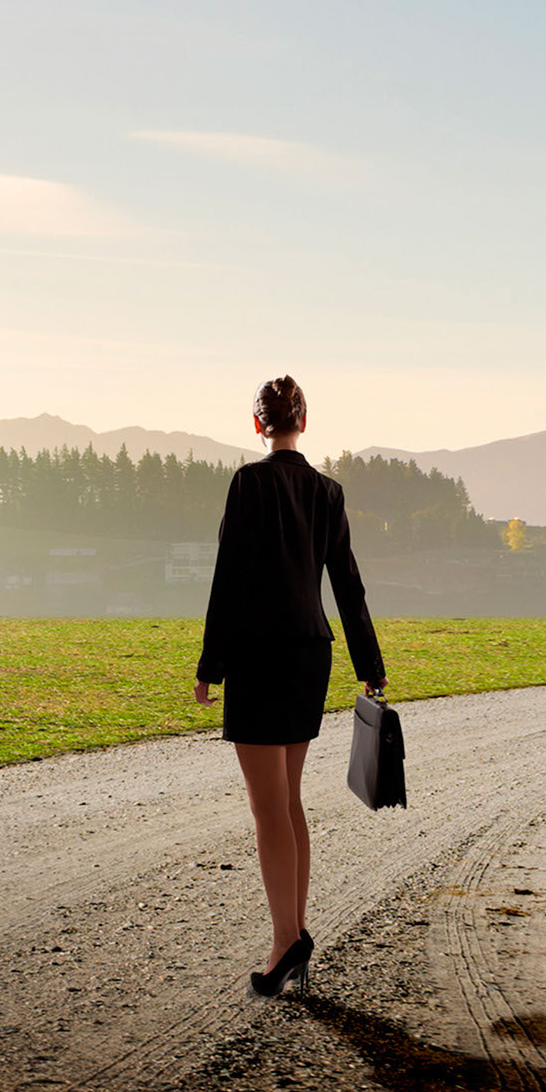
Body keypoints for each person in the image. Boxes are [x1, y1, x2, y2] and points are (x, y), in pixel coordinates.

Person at [194, 375, 386, 998]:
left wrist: (211, 664)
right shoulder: (329, 491)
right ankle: (294, 933)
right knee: (289, 800)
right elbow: (348, 584)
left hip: (258, 655)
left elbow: (228, 578)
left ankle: (286, 943)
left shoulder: (248, 482)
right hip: (311, 653)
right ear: (304, 421)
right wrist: (370, 663)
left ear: (258, 424)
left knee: (268, 808)